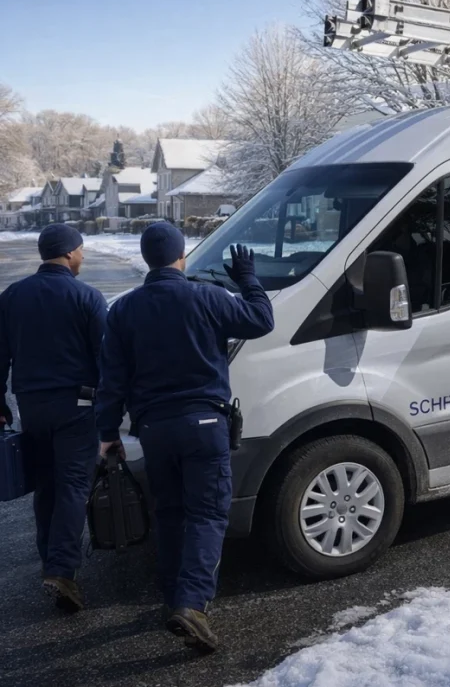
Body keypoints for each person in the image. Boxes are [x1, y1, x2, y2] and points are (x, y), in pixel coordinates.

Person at [94, 223, 274, 653]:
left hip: (154, 430)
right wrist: (248, 279)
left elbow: (111, 381)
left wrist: (107, 434)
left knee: (171, 513)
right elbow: (261, 320)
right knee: (208, 514)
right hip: (205, 425)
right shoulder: (208, 297)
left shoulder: (123, 310)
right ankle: (192, 605)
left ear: (146, 259)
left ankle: (174, 597)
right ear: (182, 257)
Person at [0, 223, 106, 613]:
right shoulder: (86, 296)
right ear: (69, 252)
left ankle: (50, 561)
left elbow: (0, 355)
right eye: (81, 249)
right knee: (74, 485)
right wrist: (112, 406)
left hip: (32, 405)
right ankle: (61, 570)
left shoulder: (12, 296)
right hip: (77, 405)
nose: (83, 256)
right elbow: (106, 357)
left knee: (46, 484)